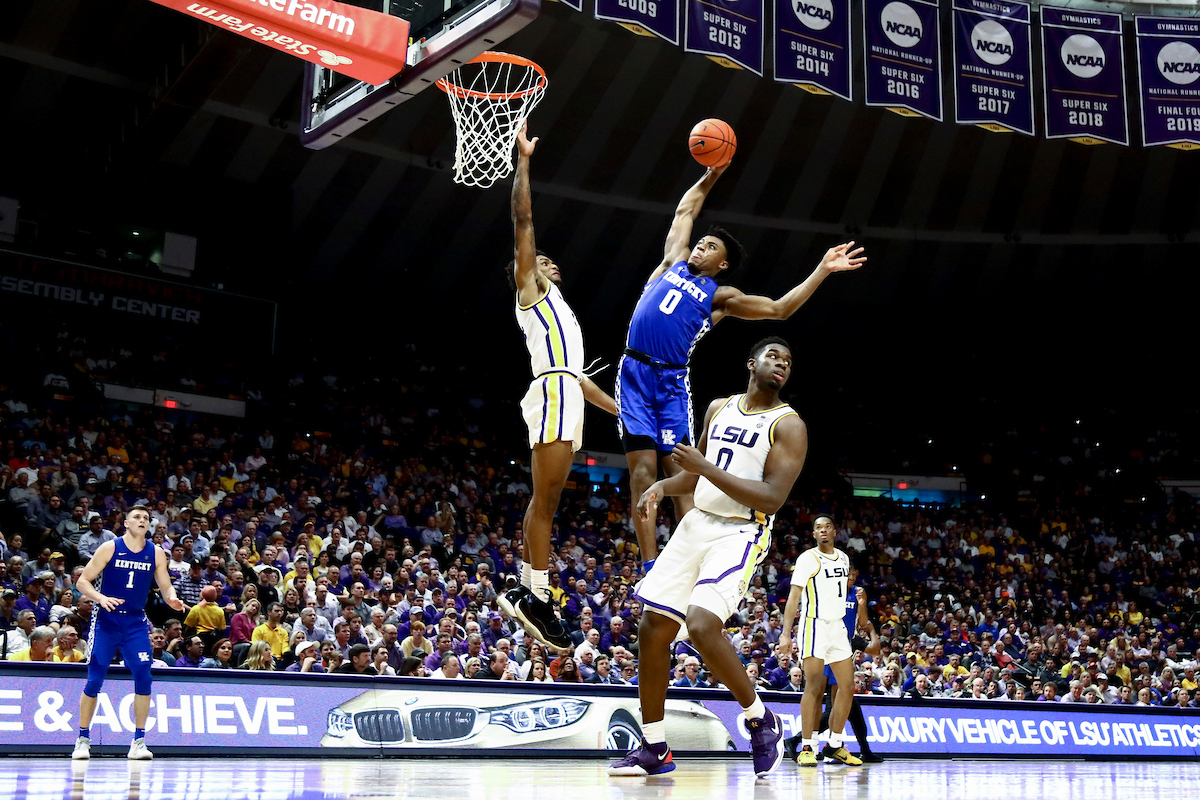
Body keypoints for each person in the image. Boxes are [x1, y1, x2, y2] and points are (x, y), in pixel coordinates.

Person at [617, 160, 865, 571]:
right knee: (642, 472)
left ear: (723, 265)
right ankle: (650, 564)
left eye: (712, 247)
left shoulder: (721, 296)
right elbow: (685, 211)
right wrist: (712, 173)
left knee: (682, 471)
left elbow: (779, 309)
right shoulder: (670, 263)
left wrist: (822, 270)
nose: (701, 246)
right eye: (703, 242)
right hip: (635, 374)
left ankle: (688, 560)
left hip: (673, 382)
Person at [610, 337, 806, 778]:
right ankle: (654, 748)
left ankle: (761, 718)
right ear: (751, 362)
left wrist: (703, 469)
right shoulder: (719, 407)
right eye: (774, 355)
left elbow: (772, 498)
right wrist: (663, 486)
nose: (782, 364)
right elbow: (695, 475)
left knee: (700, 624)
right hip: (697, 521)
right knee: (652, 627)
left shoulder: (788, 425)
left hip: (741, 531)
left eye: (788, 361)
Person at [496, 122, 617, 655]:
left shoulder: (562, 312)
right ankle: (536, 594)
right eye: (542, 261)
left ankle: (529, 585)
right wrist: (523, 162)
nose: (549, 262)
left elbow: (579, 377)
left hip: (565, 391)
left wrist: (619, 410)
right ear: (525, 272)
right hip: (550, 395)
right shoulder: (530, 291)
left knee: (544, 498)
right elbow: (523, 220)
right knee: (546, 499)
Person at [71, 504, 185, 760]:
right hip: (106, 621)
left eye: (146, 517)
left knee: (144, 678)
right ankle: (82, 739)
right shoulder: (110, 547)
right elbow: (82, 581)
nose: (143, 520)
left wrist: (172, 599)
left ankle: (139, 742)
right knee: (95, 679)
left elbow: (165, 586)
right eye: (137, 517)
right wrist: (100, 598)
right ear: (126, 523)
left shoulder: (156, 553)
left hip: (135, 623)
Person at [780, 516, 863, 767]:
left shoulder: (843, 558)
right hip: (814, 625)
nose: (823, 530)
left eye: (827, 526)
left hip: (837, 626)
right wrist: (786, 633)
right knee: (814, 687)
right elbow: (794, 597)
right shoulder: (808, 558)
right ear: (814, 534)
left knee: (847, 687)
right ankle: (807, 746)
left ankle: (835, 745)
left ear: (835, 531)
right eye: (818, 528)